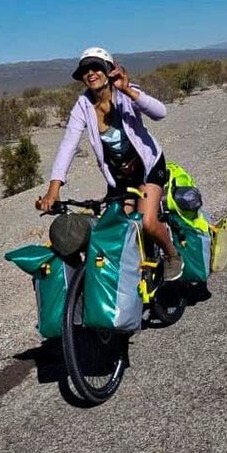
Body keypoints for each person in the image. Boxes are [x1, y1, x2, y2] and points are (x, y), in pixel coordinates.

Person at [36, 46, 182, 280]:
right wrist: (53, 190)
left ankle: (172, 255)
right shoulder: (82, 106)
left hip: (147, 165)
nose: (90, 73)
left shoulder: (124, 92)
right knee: (118, 227)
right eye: (85, 70)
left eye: (96, 67)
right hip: (119, 174)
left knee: (146, 221)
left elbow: (160, 112)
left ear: (108, 70)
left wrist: (129, 90)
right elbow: (68, 145)